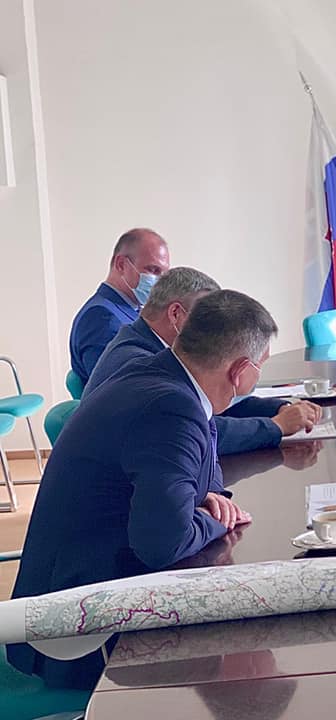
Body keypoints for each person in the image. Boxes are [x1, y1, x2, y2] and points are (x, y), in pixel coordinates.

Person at [8, 290, 273, 687]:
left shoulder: (169, 379)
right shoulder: (171, 407)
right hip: (78, 633)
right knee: (241, 629)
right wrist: (216, 521)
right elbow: (163, 544)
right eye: (261, 367)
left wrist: (205, 496)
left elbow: (209, 468)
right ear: (240, 371)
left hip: (92, 591)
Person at [84, 267, 319, 454]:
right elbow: (197, 431)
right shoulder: (139, 362)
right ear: (176, 314)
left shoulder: (155, 346)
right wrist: (276, 426)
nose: (215, 328)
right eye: (205, 317)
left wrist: (278, 409)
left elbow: (214, 402)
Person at [69, 228, 170, 384]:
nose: (160, 281)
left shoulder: (128, 310)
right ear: (121, 264)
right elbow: (116, 389)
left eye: (164, 274)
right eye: (153, 270)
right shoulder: (103, 318)